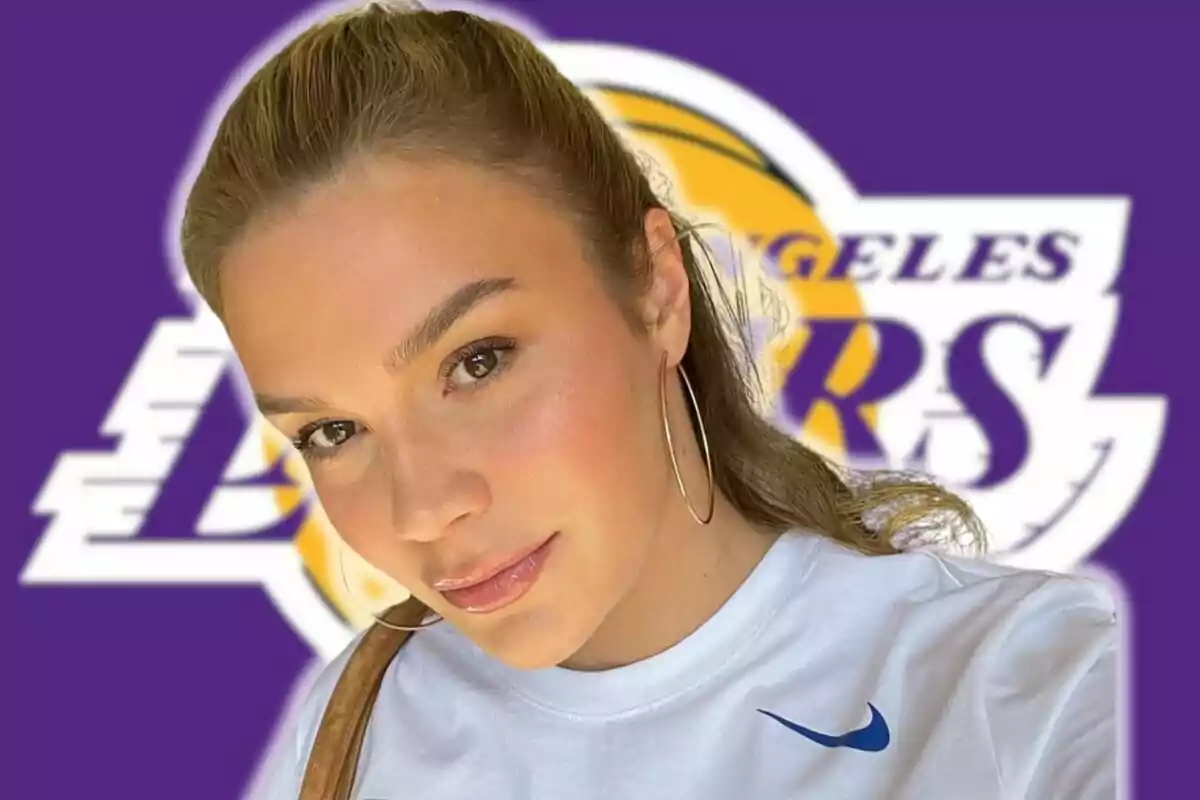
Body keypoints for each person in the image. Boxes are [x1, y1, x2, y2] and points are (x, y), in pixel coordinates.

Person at [178, 4, 1120, 798]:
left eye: (479, 361)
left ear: (656, 289)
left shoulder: (1043, 692)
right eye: (332, 431)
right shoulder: (356, 726)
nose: (423, 508)